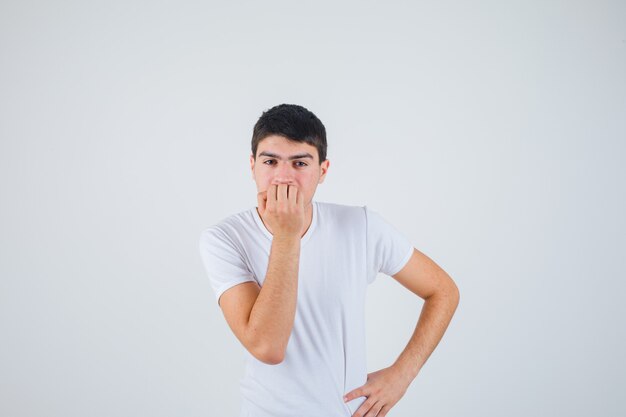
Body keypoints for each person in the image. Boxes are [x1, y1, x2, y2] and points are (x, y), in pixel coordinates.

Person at [198, 103, 460, 417]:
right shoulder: (224, 239)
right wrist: (286, 236)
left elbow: (443, 291)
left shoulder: (361, 227)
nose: (283, 177)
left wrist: (402, 375)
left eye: (300, 163)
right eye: (270, 161)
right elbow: (268, 347)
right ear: (252, 166)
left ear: (323, 171)